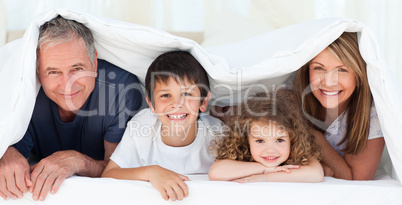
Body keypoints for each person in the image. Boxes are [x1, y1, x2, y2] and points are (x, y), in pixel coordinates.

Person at [0, 16, 144, 201]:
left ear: (94, 61)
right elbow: (10, 150)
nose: (68, 84)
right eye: (53, 72)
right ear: (37, 71)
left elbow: (121, 170)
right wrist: (6, 151)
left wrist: (79, 161)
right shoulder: (24, 93)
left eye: (77, 69)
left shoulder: (120, 90)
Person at [101, 51, 224, 201]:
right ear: (151, 105)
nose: (177, 104)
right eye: (166, 95)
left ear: (203, 102)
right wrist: (151, 172)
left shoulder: (217, 134)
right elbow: (109, 175)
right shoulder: (142, 125)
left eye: (187, 94)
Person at [293, 32, 385, 180]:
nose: (328, 82)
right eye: (319, 68)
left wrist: (308, 131)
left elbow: (356, 179)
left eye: (342, 70)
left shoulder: (372, 116)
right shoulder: (292, 101)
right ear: (307, 71)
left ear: (359, 78)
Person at [208, 89, 323, 182]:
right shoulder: (242, 152)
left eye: (279, 140)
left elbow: (316, 174)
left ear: (292, 139)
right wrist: (265, 169)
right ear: (246, 140)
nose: (270, 150)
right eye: (260, 141)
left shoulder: (299, 153)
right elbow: (215, 173)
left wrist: (266, 177)